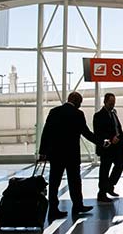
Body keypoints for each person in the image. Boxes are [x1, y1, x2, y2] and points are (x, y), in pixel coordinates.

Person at [39, 92, 100, 220]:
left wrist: (42, 151)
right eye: (80, 102)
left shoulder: (54, 111)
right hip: (72, 154)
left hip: (56, 154)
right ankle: (78, 206)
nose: (80, 105)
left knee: (54, 182)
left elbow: (46, 132)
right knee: (75, 182)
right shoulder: (78, 114)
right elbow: (86, 133)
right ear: (76, 101)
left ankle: (53, 209)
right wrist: (101, 142)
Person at [93, 93, 123, 203]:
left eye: (114, 103)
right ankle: (102, 193)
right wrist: (110, 139)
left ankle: (110, 186)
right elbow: (98, 133)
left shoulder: (114, 113)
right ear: (105, 102)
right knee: (104, 170)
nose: (112, 105)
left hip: (118, 147)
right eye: (111, 103)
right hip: (107, 148)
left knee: (120, 165)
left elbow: (118, 130)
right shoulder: (98, 116)